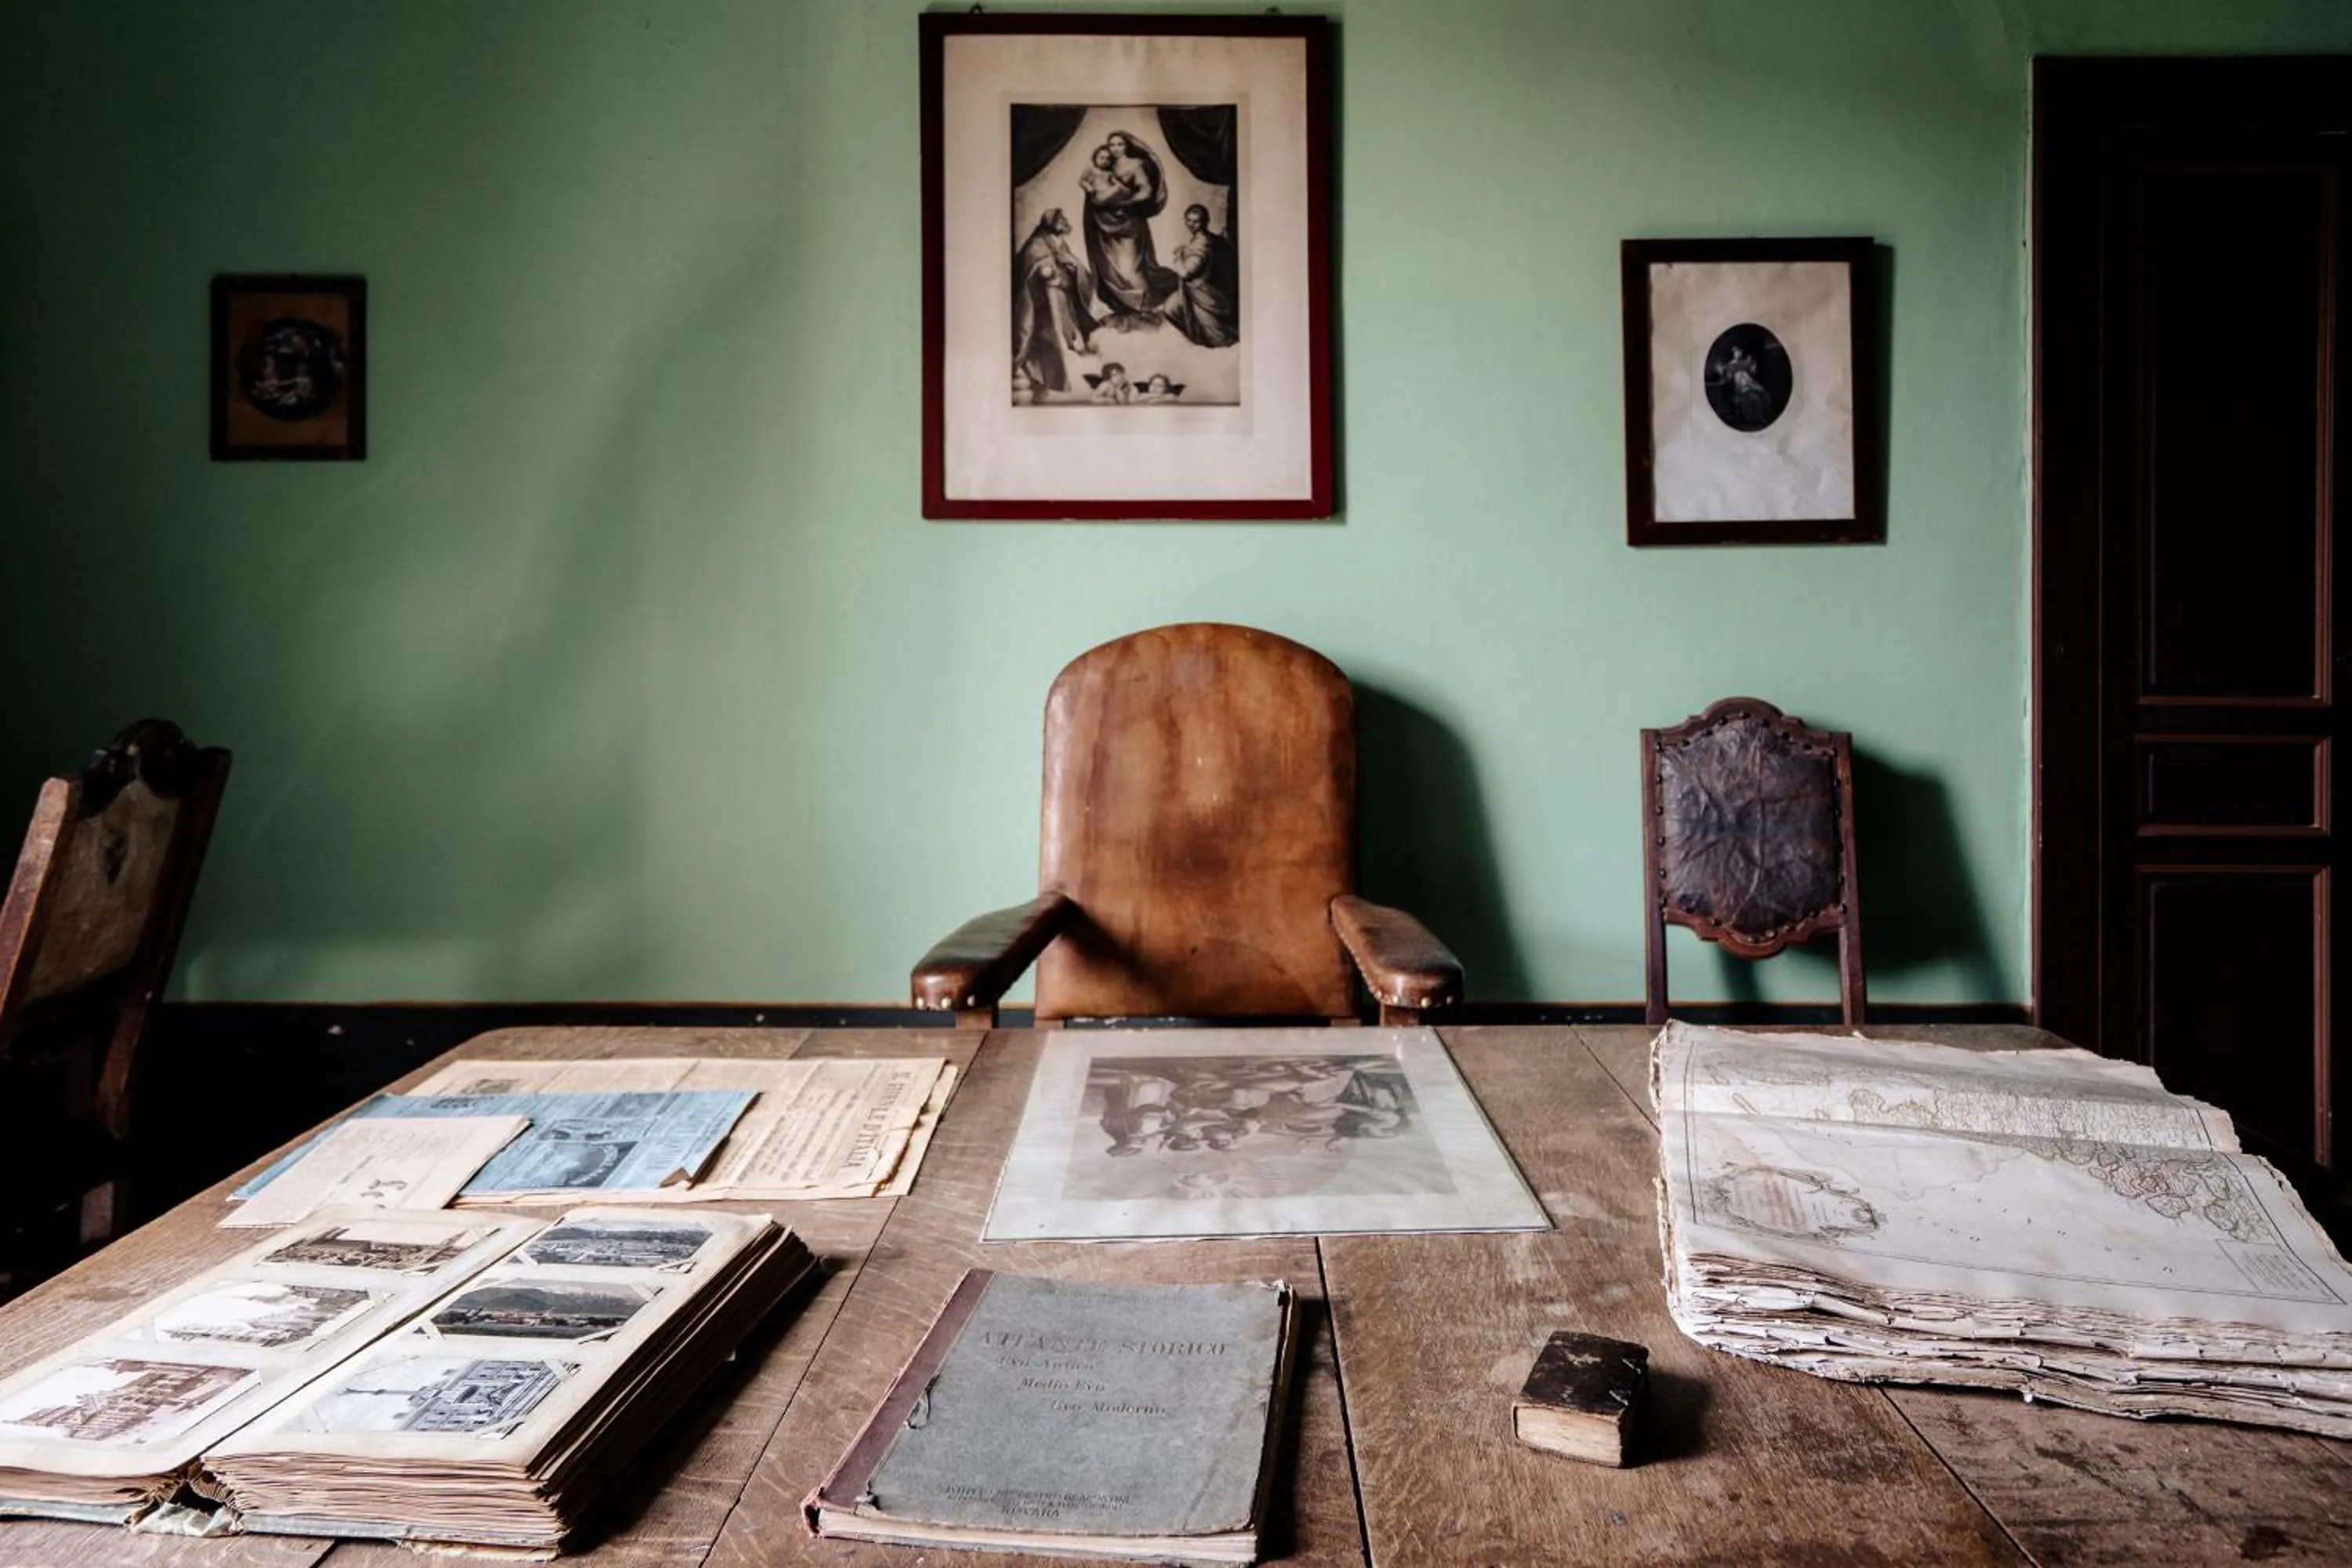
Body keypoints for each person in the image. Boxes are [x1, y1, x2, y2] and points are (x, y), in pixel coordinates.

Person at [1083, 132, 1178, 318]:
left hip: (1128, 222)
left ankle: (1146, 306)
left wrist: (1123, 203)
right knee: (1110, 267)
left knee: (1130, 268)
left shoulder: (1135, 164)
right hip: (1103, 225)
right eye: (1112, 145)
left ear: (1127, 146)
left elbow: (1146, 191)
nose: (1115, 149)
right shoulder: (1106, 166)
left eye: (1120, 144)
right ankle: (1126, 307)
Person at [1011, 208, 1097, 397]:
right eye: (1060, 220)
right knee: (1053, 335)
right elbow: (1033, 268)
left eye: (1065, 220)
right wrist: (1048, 270)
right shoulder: (1037, 244)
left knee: (1070, 335)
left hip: (1063, 297)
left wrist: (1074, 267)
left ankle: (1070, 355)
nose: (1065, 223)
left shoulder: (1061, 245)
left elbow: (1074, 266)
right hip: (1044, 302)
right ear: (1050, 223)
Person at [1163, 203, 1239, 347]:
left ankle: (1201, 338)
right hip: (1199, 291)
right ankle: (1199, 336)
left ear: (1205, 221)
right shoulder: (1208, 239)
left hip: (1204, 296)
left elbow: (1186, 273)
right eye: (1189, 220)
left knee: (1218, 340)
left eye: (1196, 221)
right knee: (1171, 308)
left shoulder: (1202, 243)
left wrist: (1179, 257)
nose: (1191, 225)